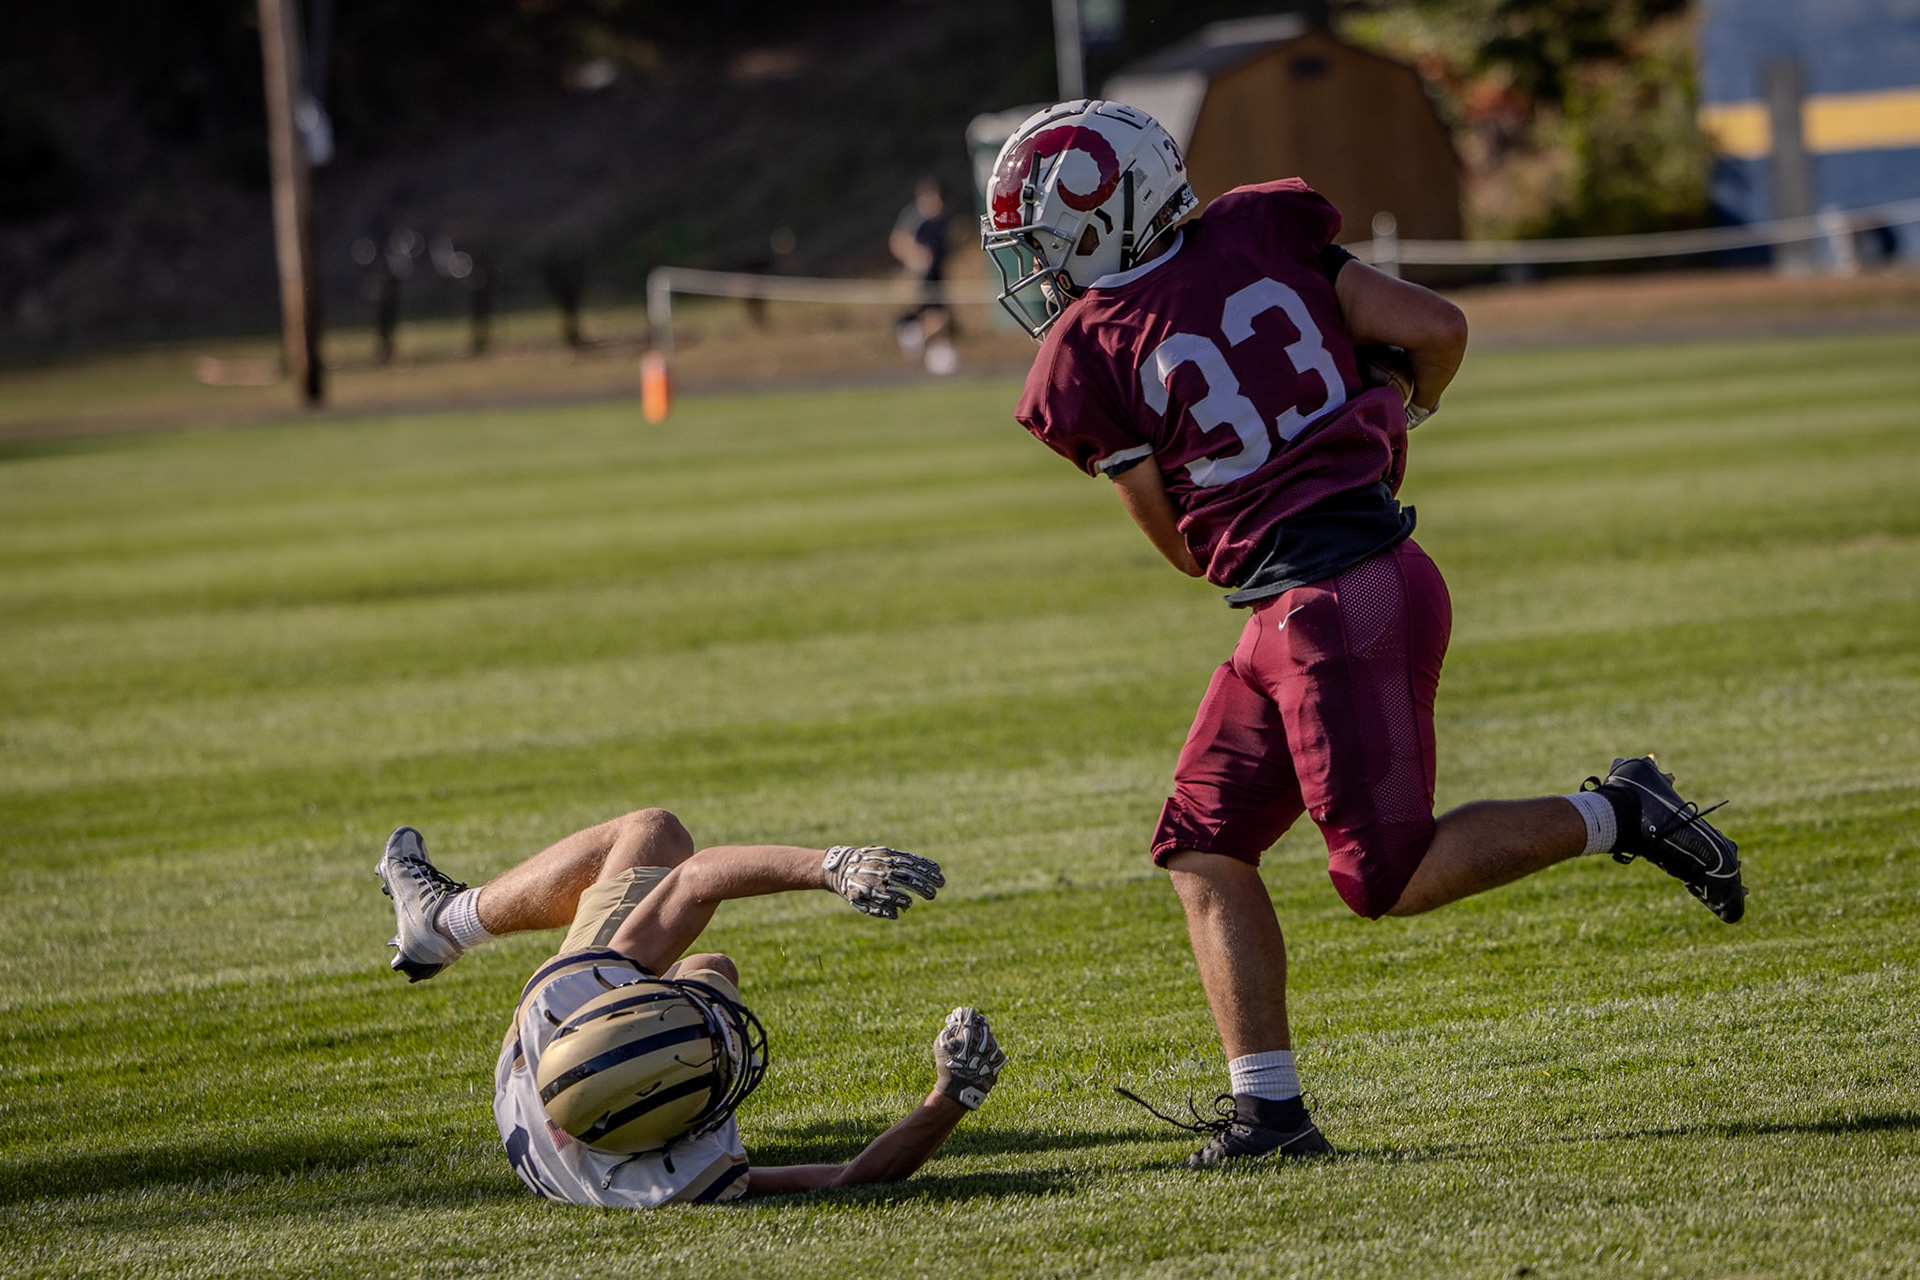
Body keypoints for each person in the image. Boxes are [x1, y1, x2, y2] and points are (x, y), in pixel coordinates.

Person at [980, 100, 1745, 1167]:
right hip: (1327, 592)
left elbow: (1187, 552)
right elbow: (1436, 332)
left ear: (1099, 221)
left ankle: (1621, 810)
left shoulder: (1086, 352)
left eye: (1044, 243)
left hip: (1325, 603)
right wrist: (1389, 407)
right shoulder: (1260, 229)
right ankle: (1270, 1116)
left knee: (1383, 875)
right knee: (1201, 844)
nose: (1037, 271)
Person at [375, 809, 1005, 1205]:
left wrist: (829, 868)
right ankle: (442, 925)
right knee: (712, 968)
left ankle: (440, 923)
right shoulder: (678, 1177)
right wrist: (955, 1095)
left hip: (552, 1038)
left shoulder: (568, 996)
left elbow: (693, 878)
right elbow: (848, 1180)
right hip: (560, 1080)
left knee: (654, 836)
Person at [890, 176, 958, 375]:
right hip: (923, 279)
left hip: (937, 276)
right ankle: (914, 337)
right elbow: (898, 240)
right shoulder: (916, 218)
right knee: (938, 318)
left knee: (939, 319)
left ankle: (936, 355)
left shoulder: (942, 219)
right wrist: (915, 256)